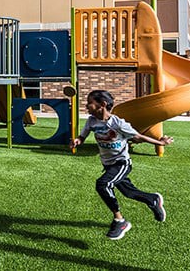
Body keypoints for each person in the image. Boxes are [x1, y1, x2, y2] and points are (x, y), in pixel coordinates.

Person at [71, 90, 173, 240]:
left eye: (90, 103)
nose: (87, 106)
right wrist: (78, 140)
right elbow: (83, 135)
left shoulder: (117, 123)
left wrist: (161, 142)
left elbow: (137, 136)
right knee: (129, 192)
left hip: (122, 163)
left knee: (102, 184)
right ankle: (153, 200)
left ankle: (120, 221)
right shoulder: (92, 121)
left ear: (103, 105)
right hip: (108, 164)